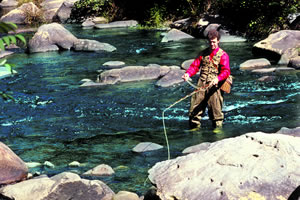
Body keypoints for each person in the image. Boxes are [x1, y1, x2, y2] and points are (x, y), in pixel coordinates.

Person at [182, 29, 230, 129]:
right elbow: (194, 67)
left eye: (214, 42)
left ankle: (217, 134)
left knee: (216, 114)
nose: (212, 44)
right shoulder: (202, 53)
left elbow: (226, 71)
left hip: (215, 86)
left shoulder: (223, 55)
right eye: (210, 42)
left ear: (218, 41)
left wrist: (218, 78)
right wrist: (187, 74)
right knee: (194, 111)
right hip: (201, 85)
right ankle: (194, 131)